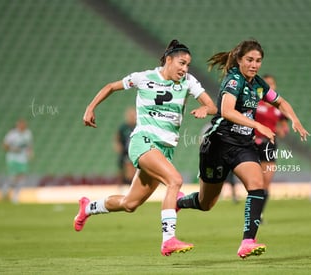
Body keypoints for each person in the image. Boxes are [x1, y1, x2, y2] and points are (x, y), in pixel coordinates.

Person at [73, 39, 217, 256]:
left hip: (164, 150)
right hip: (143, 141)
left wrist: (205, 109)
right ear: (169, 60)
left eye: (187, 65)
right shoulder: (143, 78)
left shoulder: (188, 81)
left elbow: (213, 106)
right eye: (181, 63)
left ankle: (88, 207)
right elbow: (111, 86)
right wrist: (90, 107)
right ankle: (168, 240)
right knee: (175, 180)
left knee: (130, 204)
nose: (184, 68)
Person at [177, 39, 309, 259]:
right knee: (206, 203)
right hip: (219, 143)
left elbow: (280, 102)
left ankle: (248, 241)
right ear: (239, 60)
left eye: (258, 60)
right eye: (249, 60)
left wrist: (294, 120)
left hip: (243, 145)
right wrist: (258, 125)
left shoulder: (258, 84)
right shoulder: (233, 81)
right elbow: (226, 111)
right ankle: (179, 202)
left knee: (257, 185)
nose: (254, 64)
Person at [254, 74, 289, 221]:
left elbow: (283, 126)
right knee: (257, 181)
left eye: (271, 84)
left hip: (270, 145)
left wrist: (282, 130)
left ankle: (259, 213)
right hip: (254, 143)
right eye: (266, 83)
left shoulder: (277, 107)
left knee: (266, 182)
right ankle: (254, 213)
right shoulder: (255, 102)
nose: (269, 86)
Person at [2, 119, 33, 203]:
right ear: (18, 125)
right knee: (14, 177)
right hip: (12, 158)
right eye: (21, 124)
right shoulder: (12, 134)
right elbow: (4, 145)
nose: (23, 126)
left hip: (22, 159)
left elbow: (29, 145)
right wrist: (13, 149)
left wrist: (30, 153)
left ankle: (15, 196)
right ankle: (5, 188)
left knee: (22, 177)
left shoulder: (28, 133)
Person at [114, 107, 136, 188]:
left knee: (133, 169)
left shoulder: (138, 126)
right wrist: (118, 146)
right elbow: (117, 137)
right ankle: (121, 185)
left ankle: (132, 185)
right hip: (125, 151)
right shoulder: (123, 127)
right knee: (122, 168)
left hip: (135, 151)